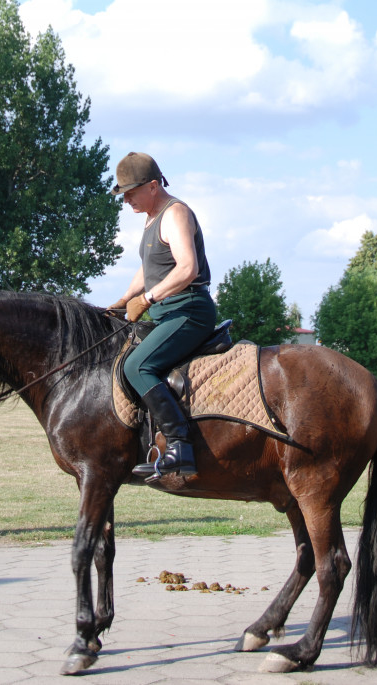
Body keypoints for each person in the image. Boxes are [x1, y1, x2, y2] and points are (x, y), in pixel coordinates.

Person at [108, 152, 217, 480]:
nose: (125, 199)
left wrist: (148, 298)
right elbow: (150, 266)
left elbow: (187, 268)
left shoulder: (175, 213)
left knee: (136, 365)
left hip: (190, 310)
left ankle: (180, 446)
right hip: (167, 312)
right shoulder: (151, 217)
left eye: (130, 192)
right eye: (123, 194)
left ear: (154, 186)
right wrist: (124, 299)